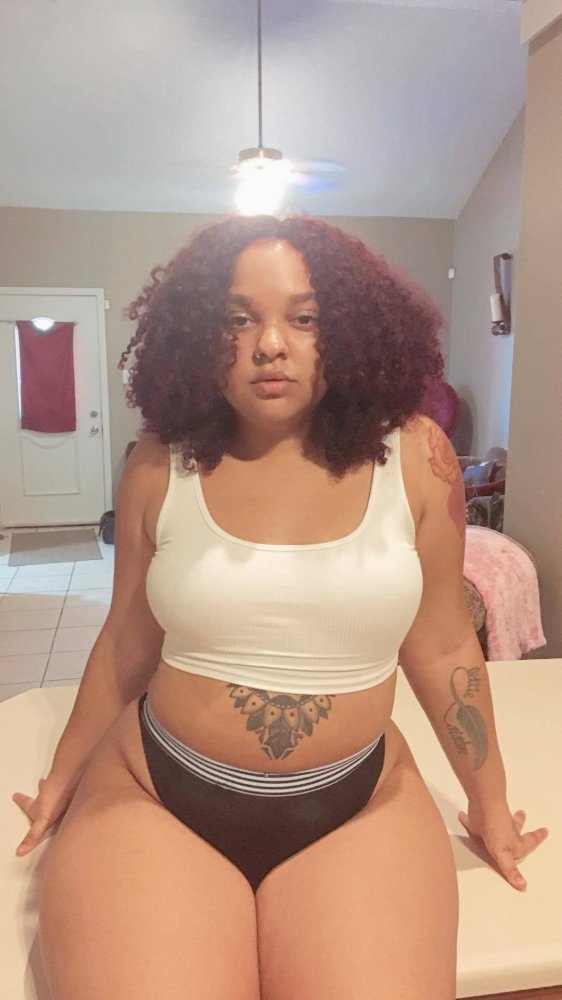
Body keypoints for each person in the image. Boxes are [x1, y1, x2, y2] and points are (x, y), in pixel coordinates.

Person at [13, 215, 548, 1000]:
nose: (270, 344)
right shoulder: (160, 464)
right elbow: (128, 637)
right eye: (238, 320)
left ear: (352, 331)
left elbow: (442, 646)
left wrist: (489, 802)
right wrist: (62, 776)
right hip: (154, 796)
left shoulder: (418, 457)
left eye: (305, 318)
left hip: (358, 805)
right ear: (199, 336)